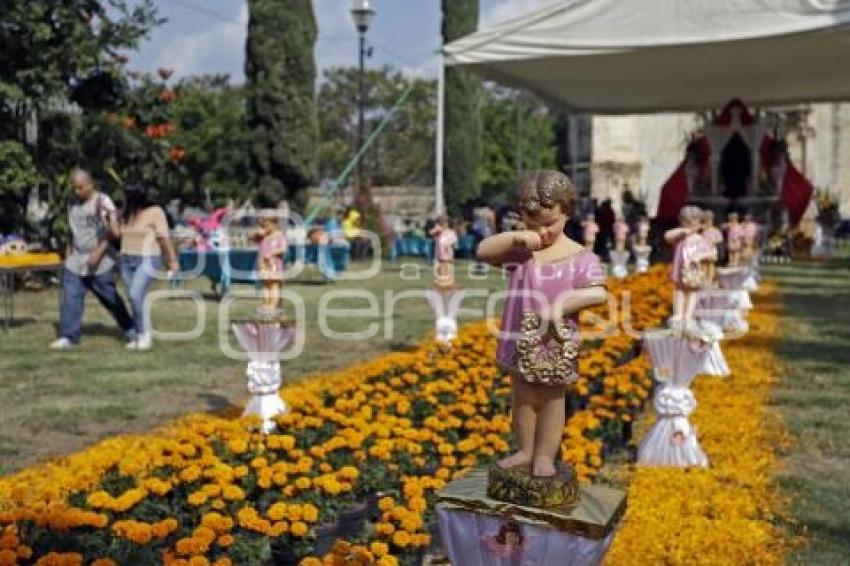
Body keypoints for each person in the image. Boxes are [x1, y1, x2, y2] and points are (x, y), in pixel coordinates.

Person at [477, 170, 607, 477]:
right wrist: (517, 237)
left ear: (567, 213)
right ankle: (525, 450)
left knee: (551, 397)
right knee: (522, 396)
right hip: (520, 337)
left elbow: (598, 292)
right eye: (533, 224)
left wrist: (559, 306)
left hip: (554, 342)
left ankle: (545, 455)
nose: (542, 232)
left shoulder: (579, 257)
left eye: (550, 223)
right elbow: (483, 252)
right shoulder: (522, 253)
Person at [50, 169, 135, 349]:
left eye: (80, 188)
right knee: (71, 298)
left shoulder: (103, 202)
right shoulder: (71, 203)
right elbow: (72, 232)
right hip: (76, 259)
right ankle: (69, 336)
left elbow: (112, 233)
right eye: (74, 188)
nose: (76, 192)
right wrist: (68, 256)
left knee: (110, 298)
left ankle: (130, 329)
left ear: (90, 185)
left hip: (100, 260)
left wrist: (98, 252)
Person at [119, 183, 178, 351]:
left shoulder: (155, 212)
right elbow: (118, 235)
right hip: (126, 258)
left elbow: (163, 238)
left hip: (148, 257)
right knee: (136, 299)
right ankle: (140, 333)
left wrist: (172, 260)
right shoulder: (127, 214)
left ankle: (144, 334)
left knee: (135, 294)